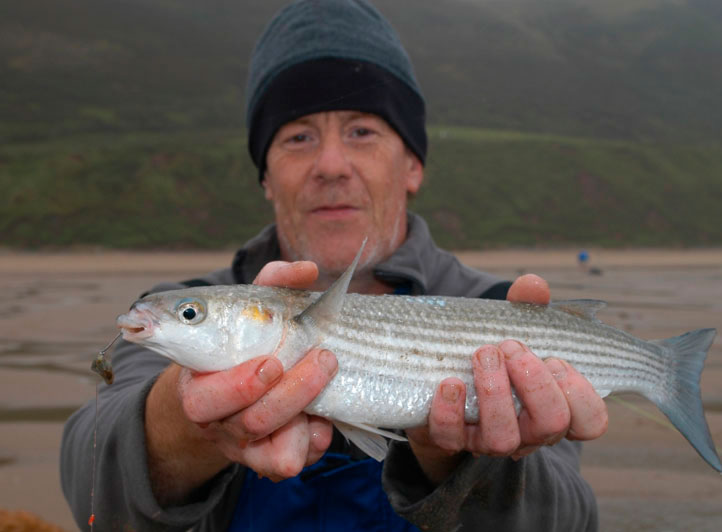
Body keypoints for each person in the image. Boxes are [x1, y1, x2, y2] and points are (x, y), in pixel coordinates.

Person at [60, 1, 608, 530]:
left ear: (412, 164)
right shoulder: (192, 304)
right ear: (266, 177)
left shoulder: (497, 309)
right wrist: (182, 426)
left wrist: (458, 463)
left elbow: (574, 521)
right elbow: (88, 480)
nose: (330, 165)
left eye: (361, 131)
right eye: (298, 137)